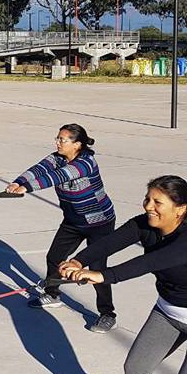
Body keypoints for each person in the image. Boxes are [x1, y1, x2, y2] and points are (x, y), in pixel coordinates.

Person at [60, 175, 187, 374]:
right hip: (169, 313)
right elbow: (110, 242)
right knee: (136, 367)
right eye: (147, 199)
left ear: (181, 209)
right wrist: (77, 260)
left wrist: (101, 275)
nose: (148, 206)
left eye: (157, 202)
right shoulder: (145, 225)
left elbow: (150, 262)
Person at [6, 123, 117, 333]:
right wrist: (17, 182)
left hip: (99, 223)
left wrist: (27, 188)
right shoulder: (56, 157)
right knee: (54, 256)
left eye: (62, 139)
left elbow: (58, 176)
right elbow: (39, 169)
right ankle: (53, 294)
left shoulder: (86, 163)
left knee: (96, 269)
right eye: (57, 138)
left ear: (77, 144)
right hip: (73, 221)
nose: (57, 142)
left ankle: (107, 314)